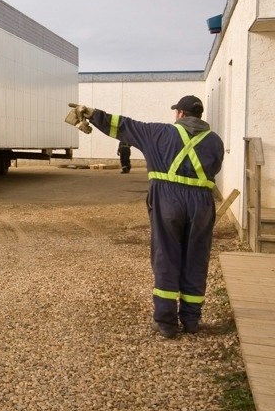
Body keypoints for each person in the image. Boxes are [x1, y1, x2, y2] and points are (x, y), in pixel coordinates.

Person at [68, 96, 224, 338]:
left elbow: (123, 126)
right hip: (201, 203)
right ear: (199, 116)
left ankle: (166, 322)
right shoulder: (215, 141)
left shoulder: (158, 133)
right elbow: (214, 169)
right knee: (196, 257)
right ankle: (192, 321)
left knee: (167, 255)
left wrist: (92, 113)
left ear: (180, 114)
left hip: (168, 200)